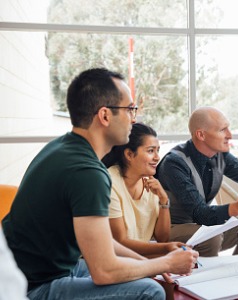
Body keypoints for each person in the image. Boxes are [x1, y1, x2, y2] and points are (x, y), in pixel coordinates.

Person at [2, 68, 198, 300]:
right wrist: (165, 262)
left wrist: (150, 262)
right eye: (129, 110)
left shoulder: (62, 148)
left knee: (142, 276)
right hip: (31, 286)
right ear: (105, 115)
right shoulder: (88, 173)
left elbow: (105, 243)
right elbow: (104, 271)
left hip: (42, 271)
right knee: (150, 290)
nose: (133, 119)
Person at [155, 106, 238, 257]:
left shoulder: (220, 156)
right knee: (211, 236)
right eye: (222, 130)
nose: (229, 135)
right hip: (171, 228)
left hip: (201, 225)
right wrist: (235, 208)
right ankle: (205, 278)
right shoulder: (174, 163)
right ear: (201, 135)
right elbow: (200, 214)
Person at [102, 123, 185, 258]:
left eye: (157, 150)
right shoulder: (109, 183)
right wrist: (166, 251)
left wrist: (164, 201)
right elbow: (120, 243)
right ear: (129, 154)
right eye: (151, 151)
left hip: (134, 258)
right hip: (107, 262)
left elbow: (162, 238)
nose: (157, 157)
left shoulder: (150, 183)